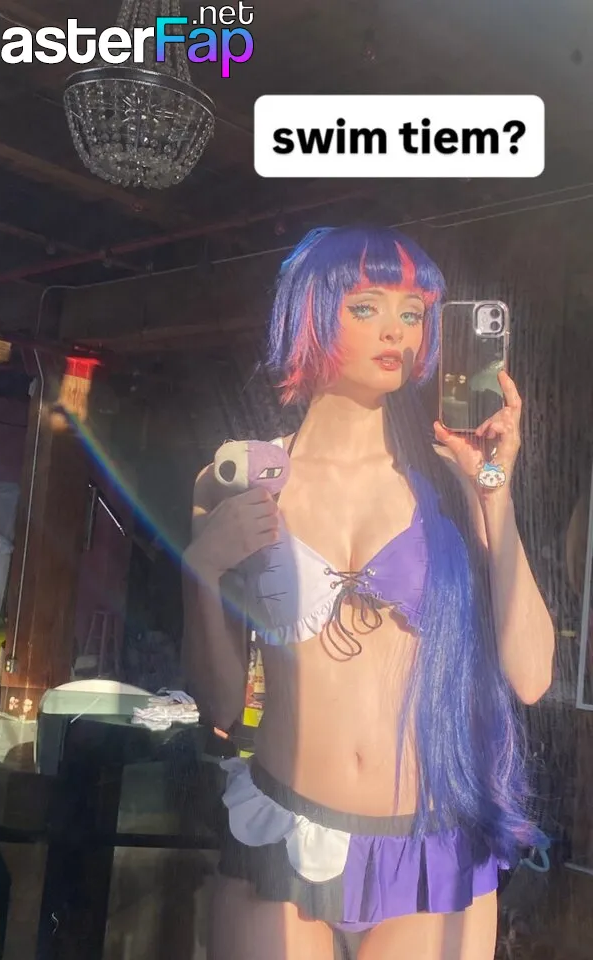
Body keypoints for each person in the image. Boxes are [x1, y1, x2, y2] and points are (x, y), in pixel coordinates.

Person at [181, 226, 555, 960]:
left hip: (428, 850)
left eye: (412, 314)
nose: (396, 331)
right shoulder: (237, 479)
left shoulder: (451, 481)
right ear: (310, 313)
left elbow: (533, 676)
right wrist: (201, 571)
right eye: (367, 307)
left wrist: (494, 489)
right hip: (283, 832)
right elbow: (220, 705)